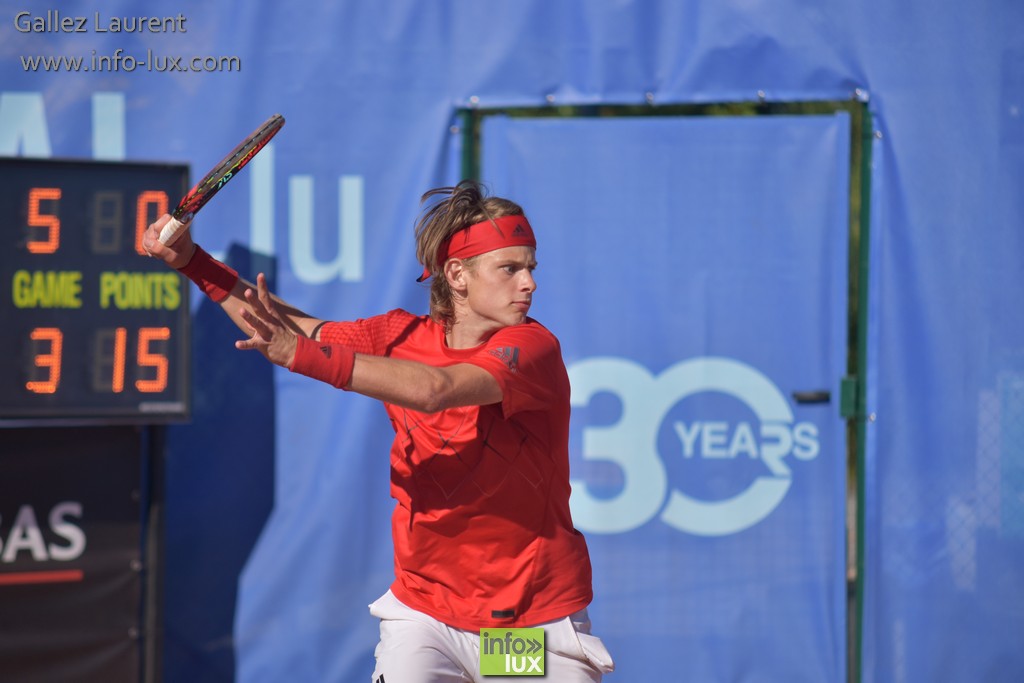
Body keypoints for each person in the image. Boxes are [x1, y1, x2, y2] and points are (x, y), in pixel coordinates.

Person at [143, 180, 614, 682]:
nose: (529, 283)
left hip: (526, 625)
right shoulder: (396, 335)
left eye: (530, 268)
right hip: (428, 619)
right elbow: (296, 329)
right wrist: (193, 261)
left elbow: (436, 389)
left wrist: (298, 353)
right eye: (510, 268)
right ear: (458, 274)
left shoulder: (533, 348)